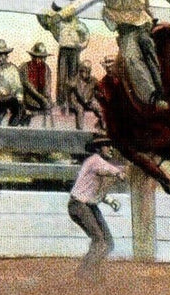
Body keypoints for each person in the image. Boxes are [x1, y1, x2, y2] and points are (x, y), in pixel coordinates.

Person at [68, 134, 126, 281]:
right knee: (100, 240)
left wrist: (109, 199)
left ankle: (91, 271)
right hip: (79, 205)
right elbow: (104, 170)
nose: (110, 148)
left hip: (86, 205)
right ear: (98, 148)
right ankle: (85, 272)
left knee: (108, 243)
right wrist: (118, 172)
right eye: (107, 145)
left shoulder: (97, 163)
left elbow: (93, 190)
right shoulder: (95, 161)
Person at [36, 4, 90, 114]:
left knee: (73, 76)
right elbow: (48, 25)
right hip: (64, 51)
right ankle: (61, 101)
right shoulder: (60, 23)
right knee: (61, 76)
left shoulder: (78, 24)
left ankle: (72, 101)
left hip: (74, 51)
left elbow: (86, 35)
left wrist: (82, 45)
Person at [19, 42, 54, 126]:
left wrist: (47, 98)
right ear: (32, 57)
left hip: (41, 98)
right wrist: (42, 99)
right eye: (37, 57)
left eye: (42, 58)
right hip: (28, 97)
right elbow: (28, 86)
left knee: (49, 109)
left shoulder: (46, 68)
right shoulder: (25, 67)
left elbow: (47, 87)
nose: (39, 60)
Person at [70, 61, 105, 131]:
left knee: (100, 109)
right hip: (78, 102)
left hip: (90, 101)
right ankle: (80, 130)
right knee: (80, 110)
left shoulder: (93, 80)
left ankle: (104, 127)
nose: (86, 72)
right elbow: (69, 91)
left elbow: (101, 89)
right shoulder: (75, 80)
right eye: (84, 70)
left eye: (88, 70)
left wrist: (99, 96)